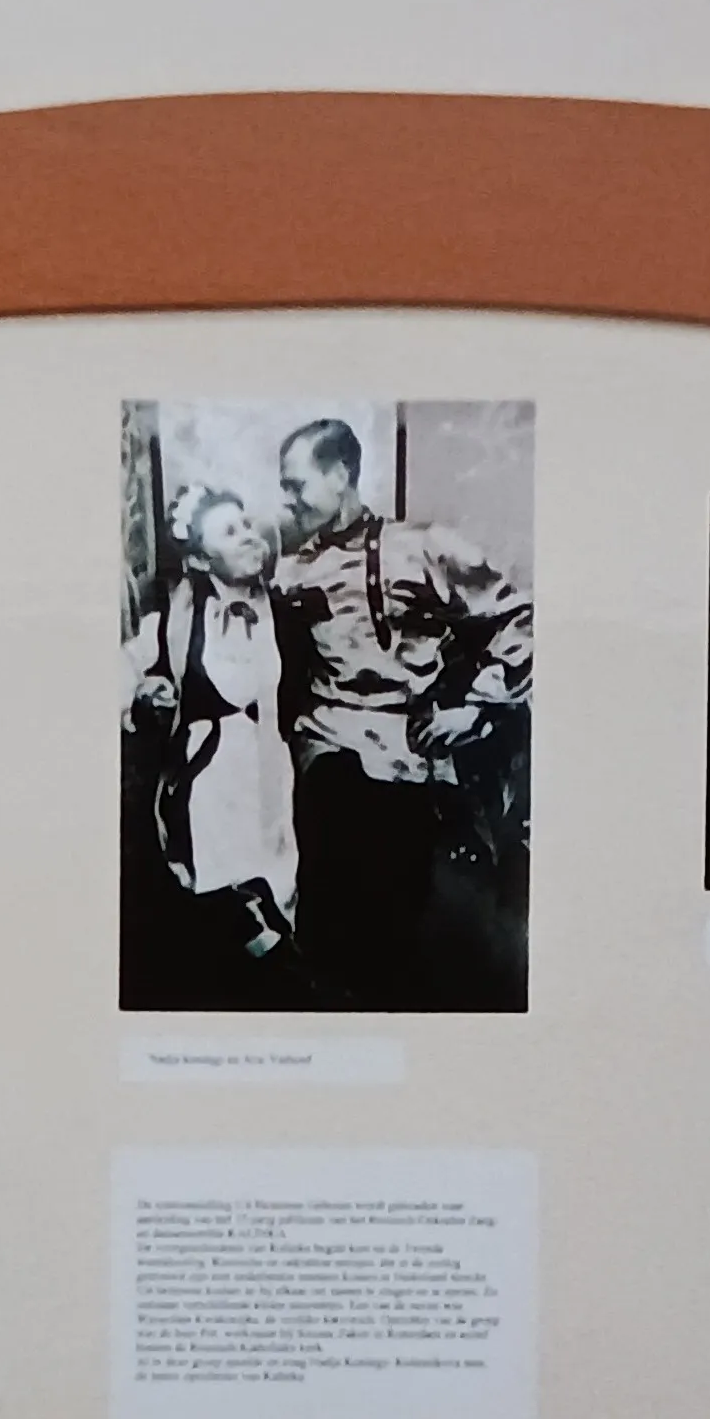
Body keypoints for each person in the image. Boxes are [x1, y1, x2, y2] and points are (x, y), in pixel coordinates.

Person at [270, 417, 531, 1007]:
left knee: (408, 924)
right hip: (328, 749)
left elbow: (519, 622)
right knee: (333, 916)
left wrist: (474, 707)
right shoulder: (291, 571)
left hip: (415, 757)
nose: (286, 499)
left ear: (340, 475)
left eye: (295, 483)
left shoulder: (425, 546)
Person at [125, 484, 309, 1001]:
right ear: (204, 558)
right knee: (226, 897)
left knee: (276, 883)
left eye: (248, 524)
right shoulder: (174, 624)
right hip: (209, 778)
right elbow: (123, 670)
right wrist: (144, 691)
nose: (250, 536)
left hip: (270, 769)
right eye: (230, 533)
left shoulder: (287, 616)